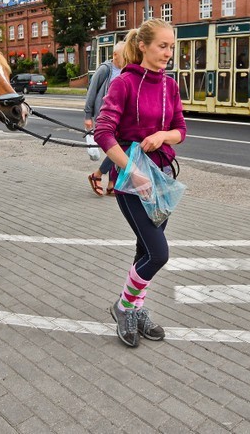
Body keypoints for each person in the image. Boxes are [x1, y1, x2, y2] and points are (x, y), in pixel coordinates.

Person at [94, 18, 187, 348]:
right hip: (131, 184)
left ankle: (134, 309)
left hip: (161, 180)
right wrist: (132, 171)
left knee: (144, 250)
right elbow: (102, 133)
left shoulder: (170, 86)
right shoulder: (123, 84)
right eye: (162, 46)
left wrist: (163, 135)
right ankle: (123, 307)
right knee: (158, 254)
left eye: (171, 47)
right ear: (144, 46)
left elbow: (181, 130)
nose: (168, 53)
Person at [84, 41, 125, 196]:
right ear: (115, 55)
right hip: (104, 114)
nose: (127, 58)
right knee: (117, 148)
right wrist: (88, 116)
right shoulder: (105, 69)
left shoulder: (125, 69)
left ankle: (110, 182)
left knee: (118, 148)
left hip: (119, 115)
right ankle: (98, 175)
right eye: (124, 55)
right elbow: (91, 92)